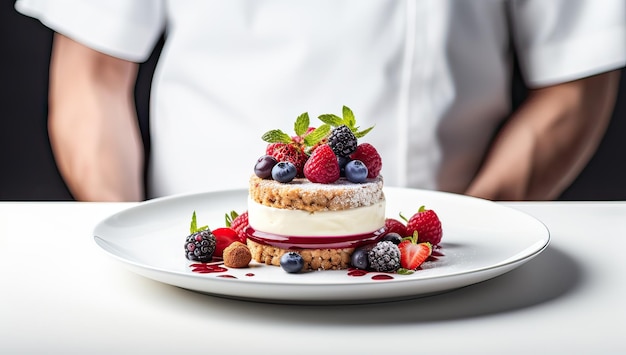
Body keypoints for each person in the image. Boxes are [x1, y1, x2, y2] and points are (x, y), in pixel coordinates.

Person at [15, 0, 626, 201]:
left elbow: (577, 75)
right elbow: (89, 79)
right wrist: (135, 255)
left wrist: (461, 247)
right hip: (200, 257)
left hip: (440, 271)